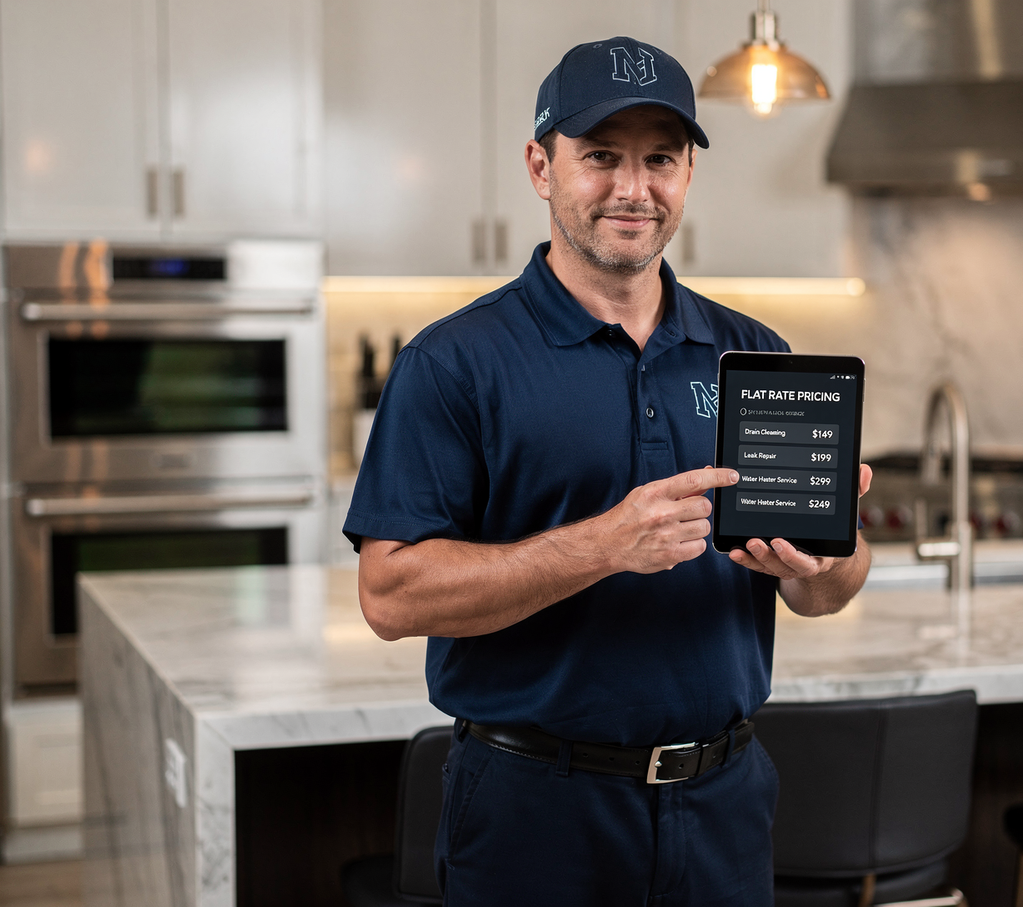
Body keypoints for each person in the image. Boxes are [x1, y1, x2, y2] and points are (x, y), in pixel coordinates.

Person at [344, 36, 873, 906]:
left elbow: (826, 592)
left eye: (660, 158)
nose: (635, 189)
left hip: (723, 804)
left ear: (688, 176)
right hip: (534, 813)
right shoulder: (456, 363)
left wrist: (824, 559)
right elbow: (390, 595)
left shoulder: (755, 353)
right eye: (600, 157)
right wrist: (599, 546)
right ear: (540, 166)